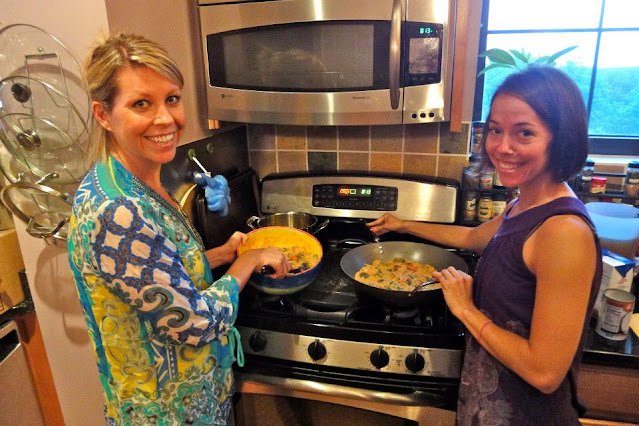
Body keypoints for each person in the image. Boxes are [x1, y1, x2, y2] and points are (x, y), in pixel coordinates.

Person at [67, 33, 291, 425]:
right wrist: (248, 261)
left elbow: (157, 277)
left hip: (191, 402)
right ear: (103, 114)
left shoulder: (137, 181)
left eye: (171, 98)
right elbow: (193, 322)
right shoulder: (117, 209)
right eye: (142, 104)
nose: (166, 118)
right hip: (166, 413)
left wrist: (224, 254)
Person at [368, 66, 602, 425]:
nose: (502, 147)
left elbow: (544, 373)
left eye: (524, 133)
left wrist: (466, 311)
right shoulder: (522, 205)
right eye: (495, 130)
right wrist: (403, 224)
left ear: (562, 138)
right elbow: (471, 238)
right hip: (490, 406)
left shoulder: (564, 232)